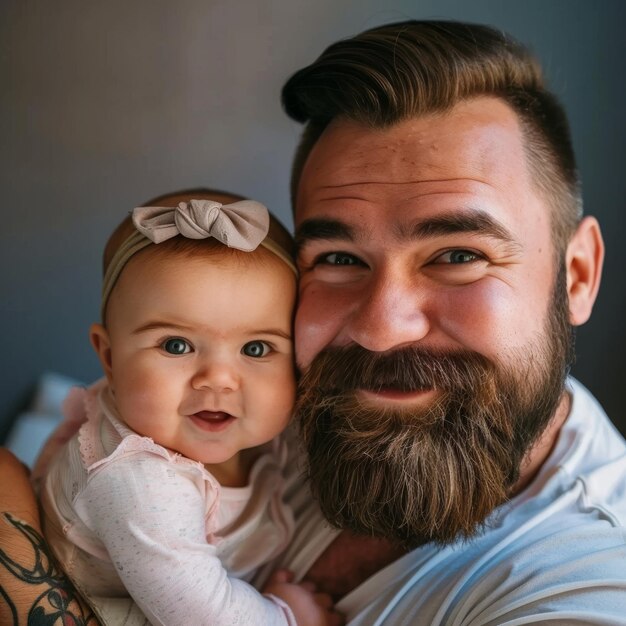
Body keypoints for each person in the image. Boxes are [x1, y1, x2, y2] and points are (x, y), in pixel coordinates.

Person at [2, 18, 626, 625]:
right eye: (339, 258)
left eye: (458, 256)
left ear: (577, 275)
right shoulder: (279, 395)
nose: (381, 328)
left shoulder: (591, 575)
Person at [35, 191, 340, 626]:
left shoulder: (257, 430)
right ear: (109, 357)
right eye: (176, 345)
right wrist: (289, 616)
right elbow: (202, 617)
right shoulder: (139, 482)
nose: (217, 378)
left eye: (256, 348)